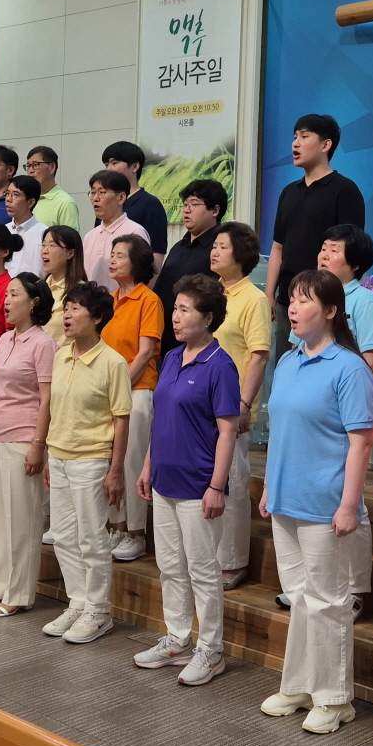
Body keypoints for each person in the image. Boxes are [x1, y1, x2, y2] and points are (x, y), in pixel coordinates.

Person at [258, 269, 373, 733]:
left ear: (330, 311)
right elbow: (281, 432)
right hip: (286, 499)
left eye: (304, 300)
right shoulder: (288, 361)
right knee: (300, 599)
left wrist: (349, 506)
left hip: (325, 503)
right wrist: (269, 487)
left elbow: (362, 443)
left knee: (329, 602)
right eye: (291, 298)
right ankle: (299, 685)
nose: (293, 307)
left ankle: (334, 698)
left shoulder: (349, 368)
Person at [134, 273, 241, 687]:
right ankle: (177, 640)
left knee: (202, 570)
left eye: (184, 310)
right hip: (164, 479)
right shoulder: (173, 357)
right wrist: (148, 466)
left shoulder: (221, 366)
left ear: (208, 317)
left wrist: (216, 486)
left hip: (199, 485)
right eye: (175, 309)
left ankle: (211, 650)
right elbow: (161, 416)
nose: (175, 317)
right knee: (170, 566)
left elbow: (228, 431)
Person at [42, 282, 131, 645]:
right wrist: (48, 453)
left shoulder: (113, 362)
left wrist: (116, 470)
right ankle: (78, 602)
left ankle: (98, 610)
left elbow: (122, 419)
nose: (67, 315)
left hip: (92, 460)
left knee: (92, 539)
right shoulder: (61, 355)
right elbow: (54, 409)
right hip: (58, 455)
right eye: (66, 308)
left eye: (75, 309)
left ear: (96, 318)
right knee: (63, 536)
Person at [0, 272, 57, 617]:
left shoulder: (43, 343)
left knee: (22, 519)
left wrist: (39, 444)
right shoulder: (4, 339)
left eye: (14, 295)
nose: (6, 302)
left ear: (34, 302)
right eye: (6, 295)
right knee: (0, 518)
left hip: (24, 437)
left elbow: (47, 397)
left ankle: (19, 592)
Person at [265, 114, 366, 343]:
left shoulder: (345, 190)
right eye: (294, 137)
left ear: (325, 145)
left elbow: (351, 250)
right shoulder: (288, 192)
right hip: (288, 301)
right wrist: (270, 293)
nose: (295, 143)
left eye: (304, 136)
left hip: (324, 301)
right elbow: (278, 247)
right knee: (288, 361)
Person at [209, 220, 271, 589]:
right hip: (202, 403)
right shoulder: (210, 293)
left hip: (233, 405)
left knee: (232, 482)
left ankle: (232, 562)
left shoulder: (253, 298)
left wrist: (245, 402)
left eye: (222, 246)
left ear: (241, 254)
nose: (214, 251)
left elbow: (259, 355)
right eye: (214, 245)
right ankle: (207, 556)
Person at [103, 234, 163, 563]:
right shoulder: (109, 301)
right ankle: (117, 525)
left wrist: (120, 387)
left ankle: (137, 532)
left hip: (138, 389)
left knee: (132, 459)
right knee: (110, 459)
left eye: (120, 255)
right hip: (109, 392)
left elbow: (145, 352)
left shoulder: (148, 300)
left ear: (137, 263)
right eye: (112, 254)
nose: (112, 260)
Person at [300, 224, 373, 383]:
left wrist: (350, 392)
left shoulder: (366, 301)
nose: (324, 256)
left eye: (334, 251)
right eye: (323, 249)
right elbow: (296, 349)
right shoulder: (307, 297)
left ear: (355, 264)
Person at [156, 179, 227, 354]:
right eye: (185, 204)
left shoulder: (220, 249)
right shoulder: (178, 247)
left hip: (200, 345)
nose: (186, 210)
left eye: (194, 204)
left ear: (215, 210)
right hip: (166, 341)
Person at [83, 170, 149, 291]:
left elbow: (142, 276)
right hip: (93, 302)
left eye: (102, 192)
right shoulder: (89, 236)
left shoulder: (135, 232)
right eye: (93, 193)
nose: (95, 198)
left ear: (121, 197)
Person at [102, 141, 167, 251]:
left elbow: (156, 252)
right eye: (106, 164)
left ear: (135, 166)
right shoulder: (105, 201)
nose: (108, 169)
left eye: (114, 163)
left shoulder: (151, 204)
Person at [41, 225, 86, 348]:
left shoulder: (80, 292)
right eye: (44, 245)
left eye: (52, 245)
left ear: (70, 253)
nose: (45, 251)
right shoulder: (38, 287)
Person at [25, 145, 82, 231]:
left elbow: (70, 238)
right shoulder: (25, 199)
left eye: (35, 165)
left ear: (52, 167)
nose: (30, 170)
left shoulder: (65, 203)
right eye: (28, 166)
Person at [4, 175, 46, 278]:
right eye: (7, 193)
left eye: (15, 195)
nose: (8, 199)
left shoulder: (44, 234)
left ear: (30, 202)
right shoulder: (4, 231)